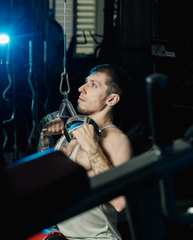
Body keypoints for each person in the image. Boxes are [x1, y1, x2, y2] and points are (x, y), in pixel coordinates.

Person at [37, 64, 133, 240]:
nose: (82, 88)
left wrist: (92, 147)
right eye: (85, 82)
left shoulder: (116, 139)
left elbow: (120, 202)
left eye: (93, 85)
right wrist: (45, 137)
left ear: (111, 99)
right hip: (60, 236)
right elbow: (43, 181)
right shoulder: (71, 133)